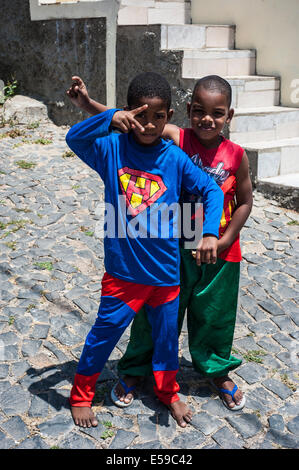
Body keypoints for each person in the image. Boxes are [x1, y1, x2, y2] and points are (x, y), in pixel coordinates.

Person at [65, 72, 224, 428]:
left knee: (167, 340)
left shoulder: (176, 159)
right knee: (103, 336)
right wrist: (106, 118)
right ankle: (81, 394)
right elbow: (73, 137)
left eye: (158, 117)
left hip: (166, 275)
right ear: (128, 113)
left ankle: (168, 392)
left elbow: (212, 191)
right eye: (141, 115)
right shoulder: (111, 150)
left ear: (169, 116)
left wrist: (209, 233)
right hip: (123, 276)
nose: (149, 125)